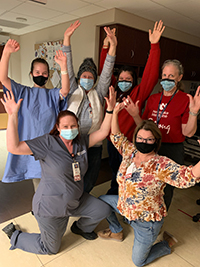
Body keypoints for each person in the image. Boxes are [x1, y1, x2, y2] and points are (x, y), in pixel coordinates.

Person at [1, 85, 116, 255]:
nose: (70, 130)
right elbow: (14, 147)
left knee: (103, 210)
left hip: (76, 202)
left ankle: (80, 227)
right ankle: (16, 236)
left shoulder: (81, 142)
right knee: (50, 248)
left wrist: (111, 110)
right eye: (66, 127)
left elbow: (104, 131)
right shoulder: (47, 143)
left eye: (73, 126)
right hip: (50, 209)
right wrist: (12, 116)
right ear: (58, 127)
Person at [97, 104, 200, 266]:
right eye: (140, 138)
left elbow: (187, 176)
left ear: (156, 141)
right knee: (101, 200)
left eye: (148, 139)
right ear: (135, 138)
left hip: (147, 223)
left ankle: (167, 244)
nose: (143, 142)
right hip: (125, 207)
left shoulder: (161, 164)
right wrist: (114, 112)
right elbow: (116, 136)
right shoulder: (130, 152)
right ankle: (116, 231)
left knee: (138, 262)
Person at [100, 20, 165, 195]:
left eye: (128, 80)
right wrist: (105, 47)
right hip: (112, 142)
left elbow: (151, 75)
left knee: (130, 175)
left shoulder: (138, 94)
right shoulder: (113, 91)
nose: (124, 82)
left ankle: (125, 199)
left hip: (129, 145)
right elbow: (104, 72)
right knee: (115, 173)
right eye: (121, 79)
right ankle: (115, 195)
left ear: (134, 82)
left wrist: (154, 45)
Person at [124, 60, 200, 209]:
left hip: (171, 149)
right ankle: (140, 210)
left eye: (171, 75)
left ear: (179, 78)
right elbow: (144, 126)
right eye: (164, 75)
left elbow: (188, 132)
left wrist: (194, 113)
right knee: (143, 180)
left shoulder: (185, 100)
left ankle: (159, 217)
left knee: (167, 186)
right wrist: (134, 115)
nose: (166, 79)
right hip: (150, 146)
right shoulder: (153, 99)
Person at [0, 39, 69, 190]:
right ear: (31, 74)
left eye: (45, 73)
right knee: (39, 184)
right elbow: (3, 78)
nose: (41, 75)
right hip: (30, 146)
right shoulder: (22, 92)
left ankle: (51, 210)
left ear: (49, 76)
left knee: (55, 184)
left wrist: (63, 66)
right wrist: (6, 53)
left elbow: (65, 90)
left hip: (50, 148)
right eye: (37, 72)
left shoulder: (52, 95)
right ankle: (41, 211)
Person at [62, 20, 117, 193]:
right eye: (84, 75)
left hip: (94, 144)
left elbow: (107, 70)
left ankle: (83, 201)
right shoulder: (72, 89)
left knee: (91, 178)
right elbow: (68, 65)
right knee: (69, 177)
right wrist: (67, 38)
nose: (87, 78)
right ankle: (71, 199)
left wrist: (113, 46)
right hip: (73, 142)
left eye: (90, 76)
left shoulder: (98, 92)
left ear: (94, 79)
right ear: (79, 78)